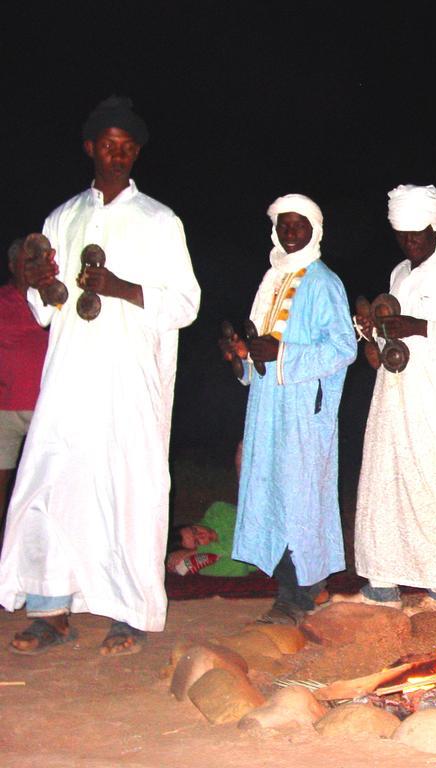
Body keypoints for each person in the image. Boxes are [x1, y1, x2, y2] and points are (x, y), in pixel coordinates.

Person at [0, 96, 201, 655]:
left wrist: (119, 289)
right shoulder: (62, 218)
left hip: (128, 379)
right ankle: (49, 608)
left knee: (127, 488)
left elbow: (185, 303)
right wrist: (37, 283)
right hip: (67, 378)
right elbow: (46, 309)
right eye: (109, 146)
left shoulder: (159, 221)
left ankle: (127, 612)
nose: (119, 156)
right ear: (90, 148)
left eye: (128, 147)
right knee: (52, 482)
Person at [345, 184, 436, 616]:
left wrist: (419, 326)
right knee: (386, 486)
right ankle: (382, 584)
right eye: (403, 234)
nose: (411, 242)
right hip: (396, 400)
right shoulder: (398, 276)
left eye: (418, 233)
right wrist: (371, 328)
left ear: (434, 227)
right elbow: (390, 334)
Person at [220, 194, 357, 625]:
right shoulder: (271, 279)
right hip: (267, 408)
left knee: (301, 498)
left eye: (298, 225)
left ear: (314, 229)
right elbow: (261, 353)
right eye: (283, 225)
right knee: (270, 492)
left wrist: (283, 353)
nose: (290, 233)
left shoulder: (323, 282)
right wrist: (243, 356)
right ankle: (288, 590)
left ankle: (302, 593)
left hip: (303, 410)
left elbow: (343, 348)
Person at [0, 239, 48, 514]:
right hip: (4, 410)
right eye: (26, 262)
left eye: (36, 261)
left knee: (41, 486)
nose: (33, 268)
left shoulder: (54, 300)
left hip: (44, 409)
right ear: (11, 266)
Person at [165, 442, 257, 578]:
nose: (201, 535)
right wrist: (199, 554)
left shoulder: (217, 512)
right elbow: (239, 566)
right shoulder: (207, 560)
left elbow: (242, 542)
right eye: (197, 542)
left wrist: (197, 551)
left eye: (195, 530)